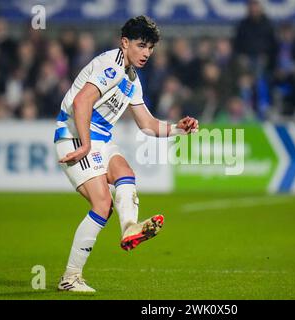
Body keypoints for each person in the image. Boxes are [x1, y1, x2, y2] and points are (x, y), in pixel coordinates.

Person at [54, 16, 199, 292]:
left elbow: (147, 124)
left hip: (99, 140)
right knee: (102, 205)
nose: (146, 53)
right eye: (141, 45)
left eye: (151, 48)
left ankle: (130, 227)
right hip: (75, 137)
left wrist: (179, 128)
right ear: (125, 43)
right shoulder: (110, 66)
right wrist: (84, 145)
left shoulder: (132, 78)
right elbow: (81, 101)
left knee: (125, 174)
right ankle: (70, 278)